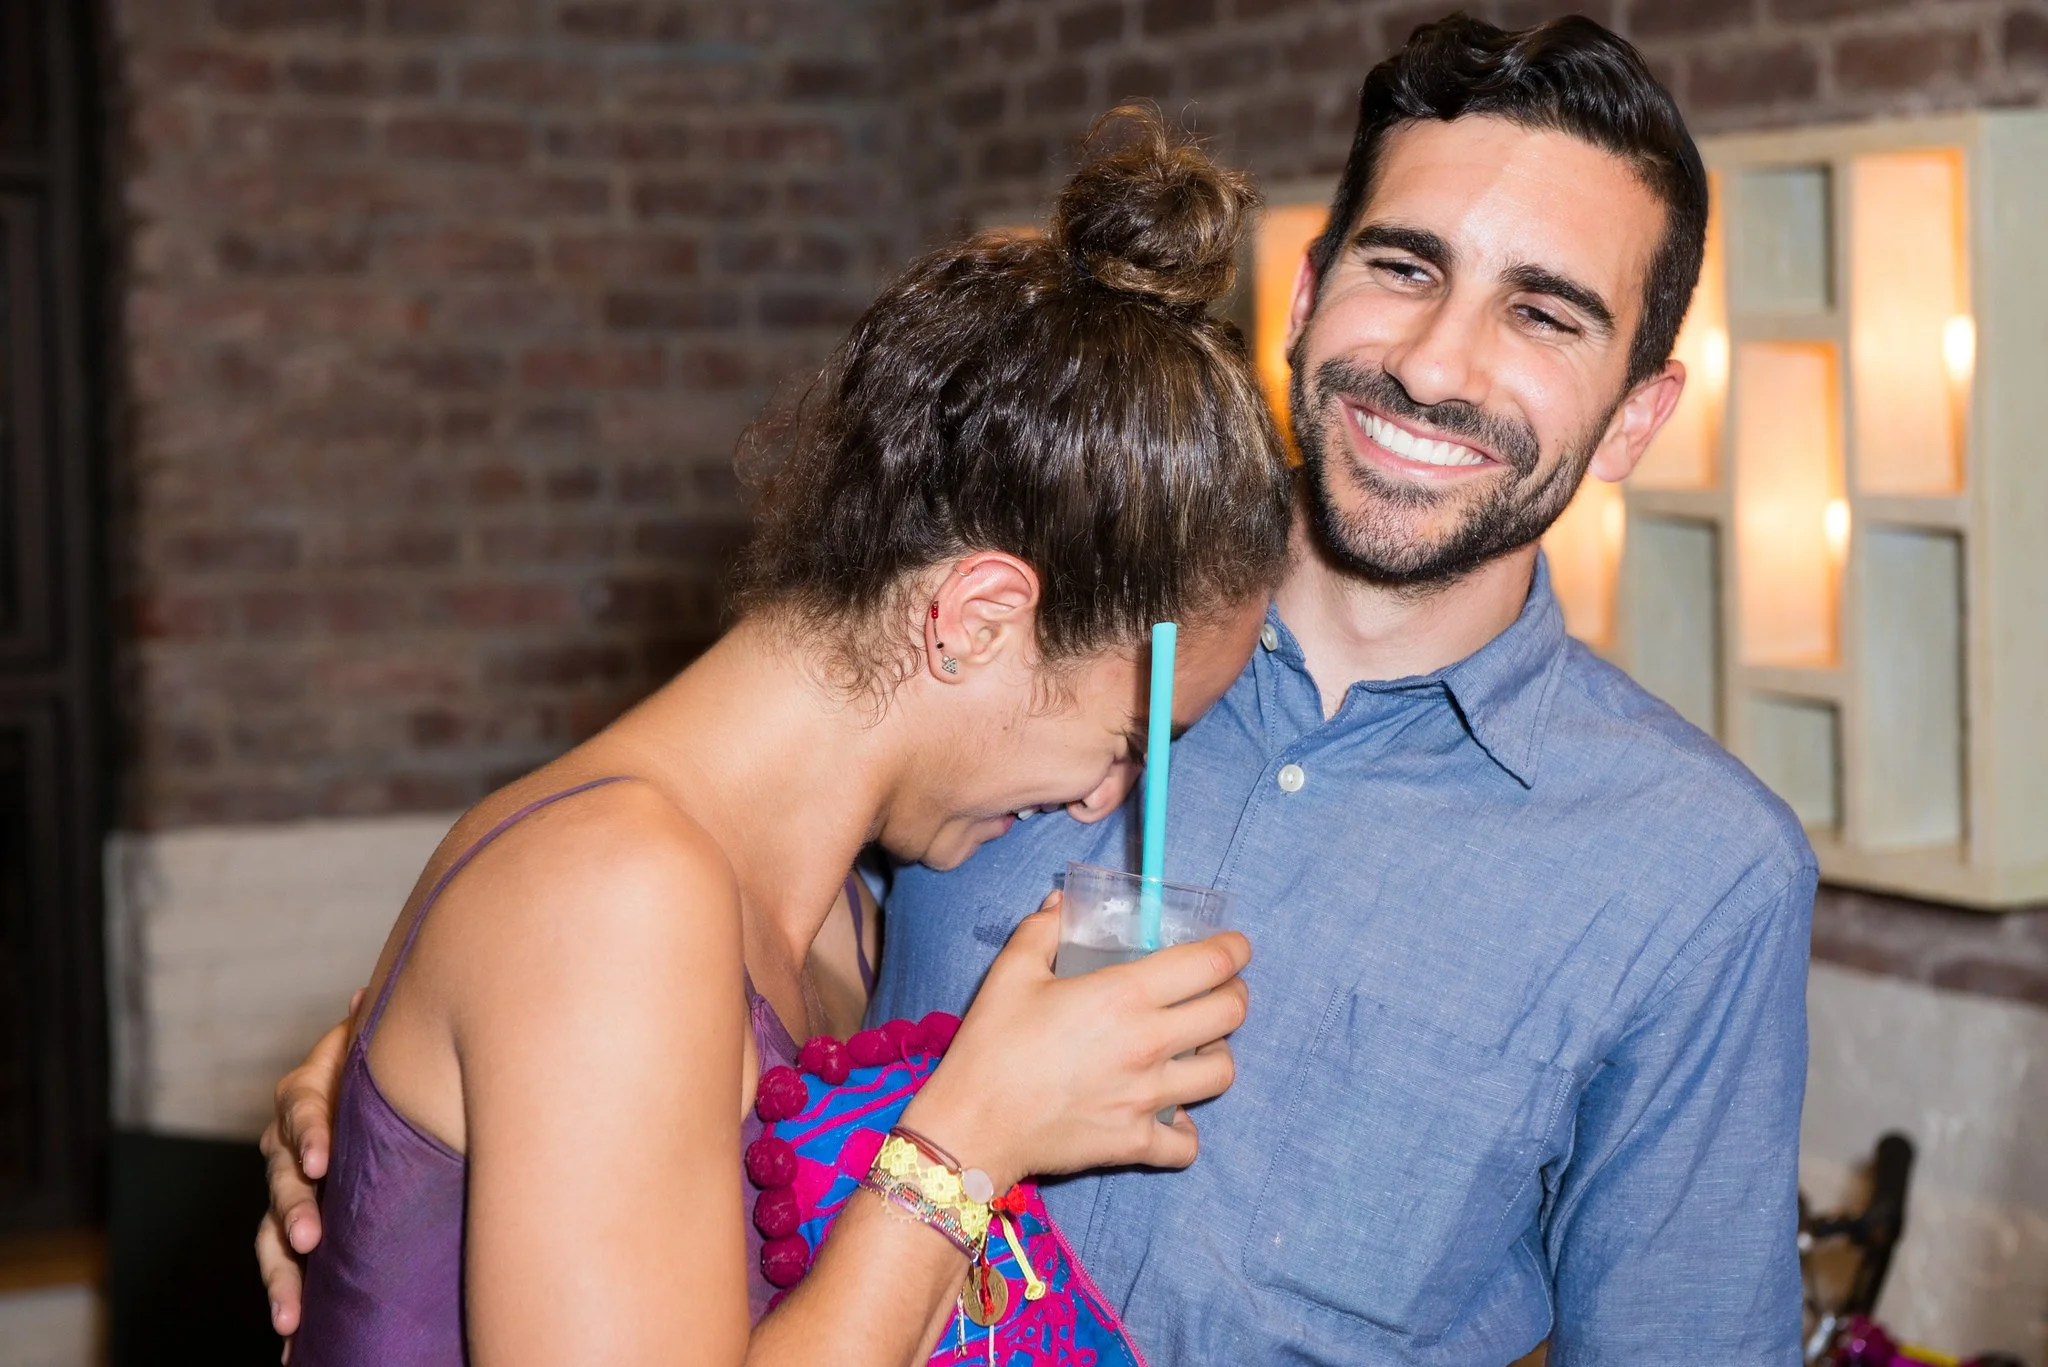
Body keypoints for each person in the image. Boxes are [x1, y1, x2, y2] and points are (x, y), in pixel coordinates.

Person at [264, 14, 1817, 1364]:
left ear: (1635, 414)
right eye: (1403, 266)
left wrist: (454, 1091)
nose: (1433, 359)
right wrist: (408, 1082)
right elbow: (635, 936)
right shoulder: (1031, 632)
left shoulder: (1697, 871)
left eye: (1546, 313)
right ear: (1302, 292)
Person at [270, 106, 1294, 1366]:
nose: (1102, 799)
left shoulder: (850, 915)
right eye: (1131, 734)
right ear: (975, 617)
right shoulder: (612, 896)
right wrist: (971, 1136)